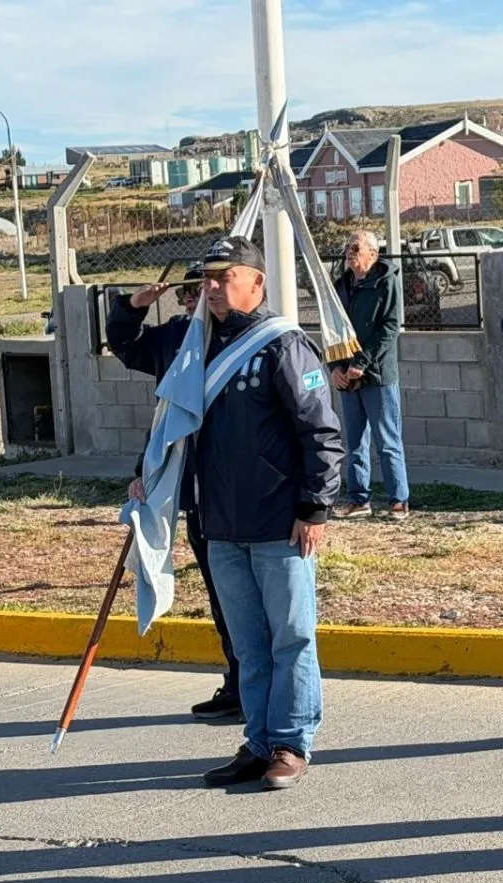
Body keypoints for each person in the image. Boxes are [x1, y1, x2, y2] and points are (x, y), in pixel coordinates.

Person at [188, 236, 344, 791]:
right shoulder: (203, 346)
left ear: (256, 281)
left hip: (281, 523)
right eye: (206, 279)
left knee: (291, 638)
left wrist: (315, 507)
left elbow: (321, 432)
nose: (210, 288)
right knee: (249, 643)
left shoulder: (283, 345)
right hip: (224, 524)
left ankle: (292, 742)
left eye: (222, 277)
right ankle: (258, 740)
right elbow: (178, 423)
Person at [105, 265, 242, 722]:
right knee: (219, 590)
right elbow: (125, 347)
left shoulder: (238, 340)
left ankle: (257, 685)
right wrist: (132, 307)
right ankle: (238, 681)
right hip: (194, 489)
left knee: (244, 595)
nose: (194, 301)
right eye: (186, 294)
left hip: (239, 487)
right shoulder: (175, 339)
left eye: (201, 291)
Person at [329, 230, 410, 521]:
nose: (349, 252)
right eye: (347, 247)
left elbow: (389, 328)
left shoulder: (386, 281)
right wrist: (335, 367)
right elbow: (333, 330)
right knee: (355, 442)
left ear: (372, 254)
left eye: (355, 247)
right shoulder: (341, 286)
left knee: (387, 441)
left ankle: (399, 500)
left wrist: (362, 362)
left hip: (376, 375)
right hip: (348, 377)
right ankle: (358, 499)